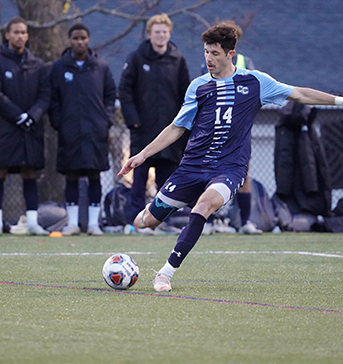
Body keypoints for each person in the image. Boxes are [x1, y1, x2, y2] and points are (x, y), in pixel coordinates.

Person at [118, 23, 343, 292]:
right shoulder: (198, 87)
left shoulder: (255, 82)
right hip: (192, 167)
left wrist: (342, 101)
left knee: (204, 206)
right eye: (206, 52)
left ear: (231, 54)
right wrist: (142, 155)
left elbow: (299, 93)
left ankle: (166, 273)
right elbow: (176, 127)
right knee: (146, 221)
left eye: (215, 53)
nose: (208, 59)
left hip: (229, 167)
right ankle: (132, 243)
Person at [118, 13, 190, 233]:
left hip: (170, 134)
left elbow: (187, 95)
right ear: (149, 34)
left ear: (169, 34)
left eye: (164, 32)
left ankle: (162, 222)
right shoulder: (136, 58)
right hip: (143, 132)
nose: (161, 36)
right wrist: (133, 122)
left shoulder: (177, 59)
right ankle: (136, 222)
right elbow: (125, 90)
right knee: (138, 180)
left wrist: (184, 125)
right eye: (157, 32)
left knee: (166, 182)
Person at [49, 23, 116, 236]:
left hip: (96, 132)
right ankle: (72, 224)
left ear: (88, 40)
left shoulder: (101, 66)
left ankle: (94, 225)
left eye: (83, 38)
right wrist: (60, 122)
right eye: (76, 38)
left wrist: (106, 120)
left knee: (94, 175)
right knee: (71, 176)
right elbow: (53, 99)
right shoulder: (59, 67)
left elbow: (110, 95)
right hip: (70, 132)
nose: (80, 41)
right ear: (70, 40)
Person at [200, 20, 260, 235]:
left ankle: (245, 222)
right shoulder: (208, 64)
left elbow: (254, 92)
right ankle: (208, 222)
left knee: (244, 174)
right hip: (215, 128)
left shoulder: (246, 63)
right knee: (208, 174)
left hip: (239, 132)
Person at [0, 16, 51, 235]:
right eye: (16, 32)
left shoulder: (37, 64)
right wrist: (16, 115)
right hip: (5, 127)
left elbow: (45, 94)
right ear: (7, 35)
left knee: (29, 172)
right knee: (1, 171)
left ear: (27, 36)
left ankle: (32, 222)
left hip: (30, 128)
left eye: (23, 32)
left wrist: (32, 115)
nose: (20, 36)